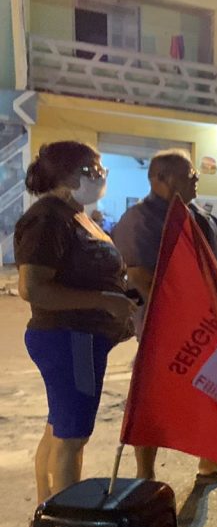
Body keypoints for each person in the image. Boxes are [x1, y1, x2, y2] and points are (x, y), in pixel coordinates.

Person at [113, 150, 217, 485]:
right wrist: (189, 305)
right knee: (155, 400)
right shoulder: (140, 221)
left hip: (210, 326)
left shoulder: (203, 217)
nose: (196, 179)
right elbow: (140, 276)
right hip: (166, 327)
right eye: (189, 175)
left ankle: (210, 463)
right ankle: (145, 475)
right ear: (160, 178)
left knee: (214, 393)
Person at [14, 142, 135, 504]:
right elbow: (33, 288)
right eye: (92, 170)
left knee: (59, 428)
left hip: (84, 339)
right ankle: (65, 521)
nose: (100, 177)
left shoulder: (76, 215)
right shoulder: (47, 218)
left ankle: (46, 512)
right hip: (71, 339)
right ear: (65, 175)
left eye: (101, 170)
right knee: (72, 437)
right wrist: (103, 300)